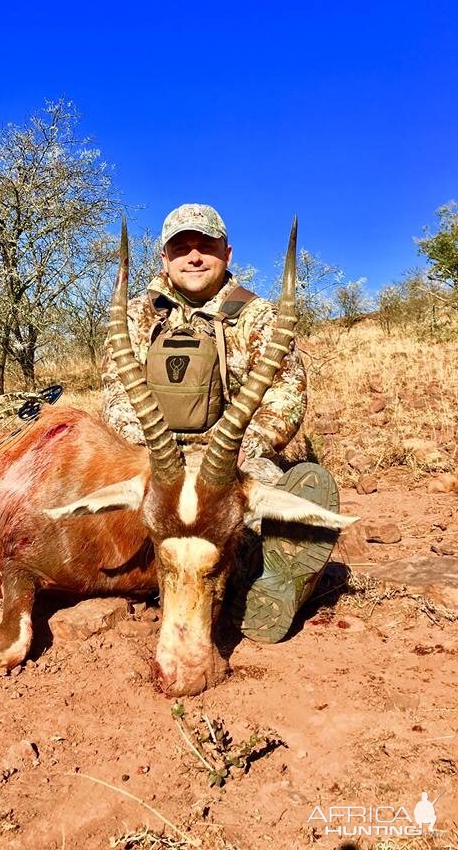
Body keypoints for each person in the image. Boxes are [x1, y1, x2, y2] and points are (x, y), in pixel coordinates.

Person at [101, 203, 340, 644]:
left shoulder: (258, 314)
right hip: (155, 458)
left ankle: (259, 582)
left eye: (205, 247)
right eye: (181, 248)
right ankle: (220, 579)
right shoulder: (137, 315)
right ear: (164, 260)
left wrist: (250, 443)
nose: (193, 256)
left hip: (229, 459)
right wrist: (148, 450)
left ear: (226, 254)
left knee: (289, 491)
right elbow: (116, 393)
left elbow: (285, 392)